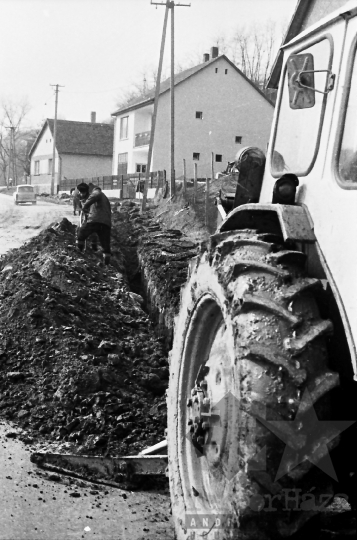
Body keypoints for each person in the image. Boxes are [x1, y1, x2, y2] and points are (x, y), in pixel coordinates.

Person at [76, 182, 111, 265]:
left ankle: (79, 253)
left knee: (81, 234)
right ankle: (107, 265)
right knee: (105, 245)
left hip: (96, 220)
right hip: (106, 223)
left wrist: (85, 206)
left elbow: (94, 196)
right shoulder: (105, 198)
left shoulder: (97, 192)